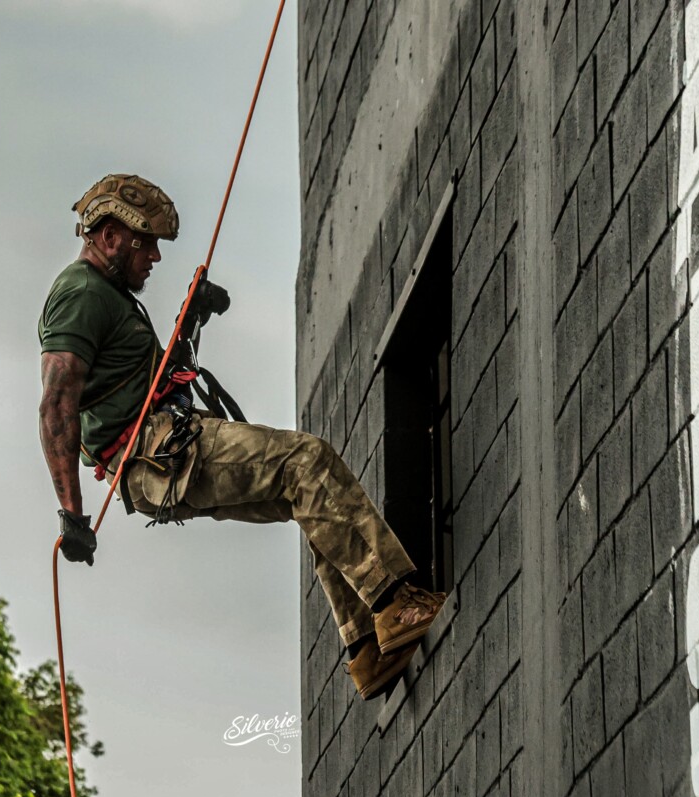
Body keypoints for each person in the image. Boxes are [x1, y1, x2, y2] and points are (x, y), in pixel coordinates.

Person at [37, 174, 446, 700]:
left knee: (308, 495)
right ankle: (395, 604)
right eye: (147, 244)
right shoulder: (80, 294)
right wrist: (72, 514)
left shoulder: (108, 297)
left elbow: (141, 386)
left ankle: (368, 647)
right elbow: (56, 404)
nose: (155, 257)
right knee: (306, 462)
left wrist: (190, 319)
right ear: (111, 237)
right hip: (157, 453)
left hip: (159, 456)